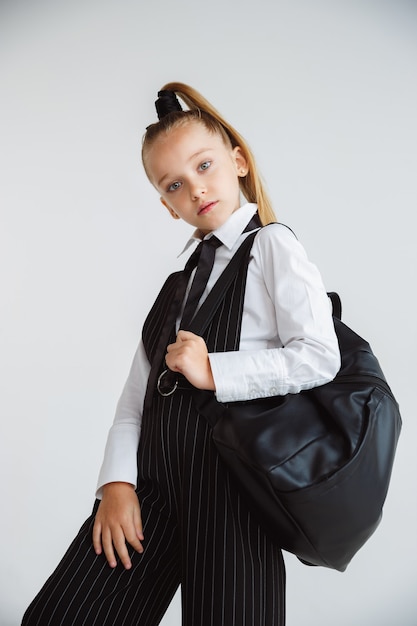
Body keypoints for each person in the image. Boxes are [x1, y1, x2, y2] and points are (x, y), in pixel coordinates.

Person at [22, 82, 341, 626]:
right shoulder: (177, 284)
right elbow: (136, 396)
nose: (195, 188)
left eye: (205, 166)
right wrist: (117, 484)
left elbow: (318, 357)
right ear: (166, 205)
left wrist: (213, 369)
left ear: (237, 161)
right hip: (154, 492)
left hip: (235, 499)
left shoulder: (272, 246)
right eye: (175, 184)